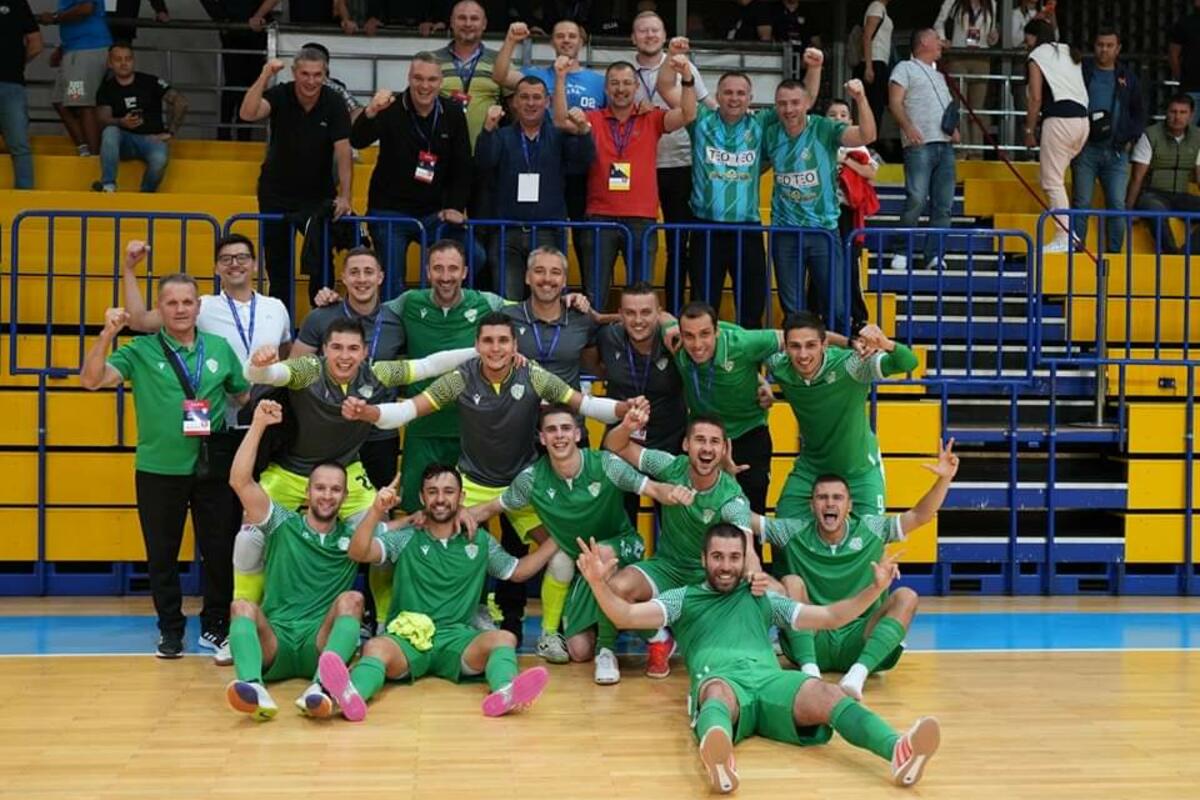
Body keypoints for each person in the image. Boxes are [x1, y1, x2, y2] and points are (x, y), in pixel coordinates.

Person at [573, 526, 940, 793]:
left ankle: (898, 749)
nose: (726, 565)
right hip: (723, 681)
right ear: (704, 559)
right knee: (716, 696)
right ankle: (721, 760)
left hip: (772, 681)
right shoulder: (682, 599)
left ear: (743, 560)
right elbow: (625, 615)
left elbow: (829, 617)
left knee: (829, 693)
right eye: (718, 557)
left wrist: (875, 589)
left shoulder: (762, 597)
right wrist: (597, 583)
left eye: (734, 557)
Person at [343, 311, 636, 642]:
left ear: (514, 346)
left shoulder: (533, 375)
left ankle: (551, 633)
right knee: (453, 542)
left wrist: (624, 410)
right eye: (488, 341)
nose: (496, 348)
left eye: (503, 341)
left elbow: (584, 404)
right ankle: (471, 611)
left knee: (561, 555)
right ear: (477, 345)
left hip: (524, 484)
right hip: (472, 484)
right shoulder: (461, 378)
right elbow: (408, 410)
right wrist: (369, 413)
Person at [234, 318, 475, 618]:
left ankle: (384, 623)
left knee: (381, 542)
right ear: (324, 350)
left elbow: (428, 365)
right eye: (336, 347)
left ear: (364, 352)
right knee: (249, 540)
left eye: (352, 348)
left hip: (346, 470)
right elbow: (268, 374)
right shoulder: (308, 369)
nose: (344, 356)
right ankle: (243, 619)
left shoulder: (375, 373)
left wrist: (479, 351)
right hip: (289, 472)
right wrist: (256, 365)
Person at [80, 277, 248, 659]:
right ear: (160, 308)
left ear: (198, 307)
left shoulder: (219, 347)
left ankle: (216, 626)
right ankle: (170, 630)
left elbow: (242, 393)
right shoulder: (140, 350)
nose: (180, 309)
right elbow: (91, 380)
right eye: (171, 303)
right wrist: (107, 335)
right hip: (158, 469)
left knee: (219, 551)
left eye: (187, 301)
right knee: (162, 555)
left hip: (211, 468)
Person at [318, 463, 559, 721]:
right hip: (407, 638)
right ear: (422, 498)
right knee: (375, 647)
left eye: (448, 491)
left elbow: (518, 571)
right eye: (432, 492)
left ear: (461, 497)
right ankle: (352, 694)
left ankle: (506, 691)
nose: (440, 499)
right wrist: (377, 511)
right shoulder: (406, 537)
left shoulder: (480, 541)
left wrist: (557, 539)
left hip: (458, 638)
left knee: (504, 639)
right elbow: (358, 552)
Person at [468, 404, 694, 682]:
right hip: (584, 565)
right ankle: (634, 628)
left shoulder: (605, 464)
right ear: (542, 438)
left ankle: (610, 650)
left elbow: (651, 488)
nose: (559, 435)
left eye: (566, 428)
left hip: (623, 547)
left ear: (577, 434)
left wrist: (673, 493)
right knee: (578, 651)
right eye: (551, 430)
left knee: (600, 555)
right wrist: (456, 516)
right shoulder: (531, 480)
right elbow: (490, 508)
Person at [756, 439, 958, 700]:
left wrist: (944, 479)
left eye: (837, 497)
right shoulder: (791, 530)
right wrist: (720, 478)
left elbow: (920, 515)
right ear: (812, 505)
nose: (830, 503)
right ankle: (810, 672)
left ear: (849, 505)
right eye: (822, 497)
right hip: (812, 635)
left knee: (907, 597)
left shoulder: (872, 528)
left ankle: (857, 675)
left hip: (858, 638)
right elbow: (746, 520)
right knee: (792, 582)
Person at [224, 400, 365, 721]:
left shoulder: (355, 538)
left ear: (345, 496)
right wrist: (258, 424)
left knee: (353, 599)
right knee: (241, 606)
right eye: (320, 488)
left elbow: (399, 531)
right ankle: (253, 687)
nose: (327, 495)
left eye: (335, 489)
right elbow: (240, 481)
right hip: (276, 642)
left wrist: (413, 517)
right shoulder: (281, 522)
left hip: (320, 643)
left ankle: (322, 688)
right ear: (307, 492)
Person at [603, 407, 754, 678]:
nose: (706, 448)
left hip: (704, 579)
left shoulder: (732, 498)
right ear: (686, 444)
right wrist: (627, 426)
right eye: (700, 440)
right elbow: (615, 446)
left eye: (714, 442)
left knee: (717, 655)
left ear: (723, 450)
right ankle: (659, 640)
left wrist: (756, 575)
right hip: (666, 568)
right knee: (615, 588)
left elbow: (748, 548)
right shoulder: (671, 466)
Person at [682, 55, 821, 328]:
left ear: (750, 98)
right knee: (703, 305)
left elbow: (804, 101)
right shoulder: (701, 120)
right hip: (705, 228)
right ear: (717, 96)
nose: (734, 98)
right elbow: (670, 92)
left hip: (747, 229)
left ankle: (751, 356)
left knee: (751, 306)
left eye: (741, 93)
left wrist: (814, 68)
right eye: (728, 92)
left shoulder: (761, 122)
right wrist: (684, 75)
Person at [555, 53, 697, 310]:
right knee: (594, 296)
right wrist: (560, 78)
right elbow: (559, 120)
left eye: (627, 83)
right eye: (615, 83)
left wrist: (687, 78)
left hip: (642, 219)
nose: (621, 89)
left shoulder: (651, 117)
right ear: (606, 88)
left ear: (636, 87)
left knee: (642, 298)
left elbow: (688, 114)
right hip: (600, 218)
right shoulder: (593, 118)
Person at [382, 240, 506, 514]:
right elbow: (366, 309)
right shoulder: (408, 302)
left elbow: (532, 308)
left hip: (471, 430)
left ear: (465, 272)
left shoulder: (488, 302)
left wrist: (569, 300)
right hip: (423, 428)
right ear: (428, 272)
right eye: (438, 268)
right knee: (417, 513)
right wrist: (332, 300)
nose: (446, 276)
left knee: (469, 514)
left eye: (453, 268)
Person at [119, 235, 293, 428]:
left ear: (255, 265)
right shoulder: (200, 307)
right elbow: (138, 321)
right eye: (226, 259)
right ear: (216, 268)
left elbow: (287, 355)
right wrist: (129, 268)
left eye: (242, 257)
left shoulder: (276, 307)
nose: (234, 263)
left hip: (268, 411)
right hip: (217, 414)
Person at [769, 312, 918, 519]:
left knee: (872, 535)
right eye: (795, 346)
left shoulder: (851, 366)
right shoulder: (778, 365)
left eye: (811, 345)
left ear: (824, 345)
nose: (803, 355)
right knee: (781, 531)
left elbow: (908, 362)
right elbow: (744, 350)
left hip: (859, 470)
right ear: (785, 347)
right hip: (811, 469)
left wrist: (885, 343)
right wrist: (760, 382)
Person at [240, 49, 353, 310]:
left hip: (318, 195)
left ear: (325, 74)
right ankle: (281, 326)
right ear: (294, 73)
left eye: (317, 75)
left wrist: (345, 195)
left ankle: (322, 324)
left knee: (321, 263)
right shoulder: (280, 94)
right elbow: (248, 113)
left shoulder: (334, 101)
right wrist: (265, 74)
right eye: (305, 74)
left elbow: (343, 150)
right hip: (275, 193)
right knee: (278, 267)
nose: (311, 81)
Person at [350, 53, 474, 292]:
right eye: (418, 78)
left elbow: (462, 165)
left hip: (435, 213)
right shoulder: (390, 107)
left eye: (431, 79)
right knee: (392, 283)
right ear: (409, 78)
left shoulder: (453, 112)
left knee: (475, 256)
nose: (424, 86)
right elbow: (358, 140)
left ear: (441, 82)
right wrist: (371, 110)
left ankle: (445, 313)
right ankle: (392, 318)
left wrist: (455, 206)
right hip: (389, 211)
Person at [766, 73, 876, 328]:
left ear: (807, 103)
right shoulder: (770, 134)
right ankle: (797, 353)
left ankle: (835, 352)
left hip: (823, 232)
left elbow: (867, 135)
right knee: (793, 310)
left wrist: (861, 99)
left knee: (836, 307)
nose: (789, 109)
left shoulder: (824, 127)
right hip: (785, 232)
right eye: (782, 103)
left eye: (795, 102)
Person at [293, 248, 406, 489]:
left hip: (379, 434)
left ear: (380, 277)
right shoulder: (320, 317)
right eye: (354, 272)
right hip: (331, 431)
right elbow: (295, 373)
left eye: (368, 272)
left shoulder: (397, 322)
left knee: (380, 503)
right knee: (328, 502)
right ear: (343, 277)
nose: (362, 279)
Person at [475, 75, 595, 298]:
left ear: (547, 102)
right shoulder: (501, 135)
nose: (531, 103)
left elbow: (583, 162)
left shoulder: (560, 136)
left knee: (548, 298)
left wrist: (584, 131)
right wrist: (488, 130)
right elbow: (485, 162)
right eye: (524, 97)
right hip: (507, 232)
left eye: (537, 97)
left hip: (548, 232)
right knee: (508, 300)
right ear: (515, 102)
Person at [631, 13, 715, 312]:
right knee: (638, 240)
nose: (649, 35)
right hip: (641, 168)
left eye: (655, 30)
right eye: (643, 31)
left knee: (678, 244)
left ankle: (678, 311)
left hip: (680, 163)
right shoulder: (624, 73)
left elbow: (708, 106)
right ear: (633, 38)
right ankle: (641, 310)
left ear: (664, 34)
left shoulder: (683, 67)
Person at [666, 302, 781, 517]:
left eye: (704, 334)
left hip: (748, 434)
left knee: (749, 515)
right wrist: (669, 325)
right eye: (689, 336)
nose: (697, 344)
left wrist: (847, 343)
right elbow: (657, 315)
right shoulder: (675, 342)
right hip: (704, 438)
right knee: (698, 514)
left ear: (717, 331)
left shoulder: (742, 343)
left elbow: (795, 337)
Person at [888, 28, 958, 271]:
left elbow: (945, 108)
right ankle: (901, 250)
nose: (941, 43)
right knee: (916, 199)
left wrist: (953, 129)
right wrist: (908, 127)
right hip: (919, 144)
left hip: (944, 144)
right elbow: (895, 102)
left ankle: (934, 255)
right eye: (937, 39)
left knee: (943, 204)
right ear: (924, 41)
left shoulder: (939, 75)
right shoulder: (904, 68)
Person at [1071, 27, 1145, 254]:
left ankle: (1115, 256)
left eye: (1109, 45)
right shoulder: (1081, 72)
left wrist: (1131, 137)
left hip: (1117, 152)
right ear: (1094, 46)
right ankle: (1076, 253)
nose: (1104, 50)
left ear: (1118, 48)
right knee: (1081, 203)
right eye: (1100, 45)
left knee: (1117, 205)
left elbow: (1140, 113)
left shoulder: (1128, 78)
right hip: (1085, 149)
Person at [595, 281, 686, 456]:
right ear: (621, 314)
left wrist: (672, 322)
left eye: (646, 312)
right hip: (619, 444)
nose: (638, 321)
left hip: (669, 446)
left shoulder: (674, 340)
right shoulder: (608, 338)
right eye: (630, 313)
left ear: (659, 313)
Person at [1024, 18, 1089, 253]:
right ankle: (1070, 233)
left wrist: (1029, 129)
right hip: (1082, 122)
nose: (1026, 42)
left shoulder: (1037, 55)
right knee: (1055, 178)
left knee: (1052, 181)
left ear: (1034, 36)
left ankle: (1064, 236)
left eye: (1027, 38)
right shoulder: (1069, 51)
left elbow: (1035, 98)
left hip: (1060, 120)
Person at [501, 246, 600, 392]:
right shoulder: (506, 318)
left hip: (567, 405)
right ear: (527, 277)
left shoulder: (582, 319)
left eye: (555, 272)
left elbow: (594, 367)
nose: (547, 279)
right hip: (520, 405)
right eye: (539, 271)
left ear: (564, 280)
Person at [92, 43, 187, 194]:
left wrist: (171, 132)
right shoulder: (106, 89)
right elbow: (102, 119)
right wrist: (121, 122)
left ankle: (145, 194)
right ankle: (108, 185)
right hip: (124, 141)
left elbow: (180, 102)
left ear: (133, 61)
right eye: (118, 59)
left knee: (159, 159)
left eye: (128, 59)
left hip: (151, 139)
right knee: (110, 132)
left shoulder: (150, 82)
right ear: (110, 63)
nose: (124, 63)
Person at [825, 98, 879, 333]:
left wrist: (845, 160)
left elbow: (871, 172)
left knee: (849, 267)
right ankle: (819, 314)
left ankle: (857, 317)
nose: (838, 119)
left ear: (851, 120)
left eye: (843, 115)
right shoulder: (820, 141)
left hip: (847, 213)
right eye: (832, 115)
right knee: (821, 265)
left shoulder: (856, 145)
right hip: (822, 212)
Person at [1126, 94, 1200, 255]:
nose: (1177, 117)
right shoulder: (1150, 135)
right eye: (1173, 112)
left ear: (1191, 115)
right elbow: (1137, 177)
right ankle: (1171, 254)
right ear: (1166, 113)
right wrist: (1129, 209)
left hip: (1181, 196)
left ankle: (1186, 254)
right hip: (1153, 194)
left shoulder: (1198, 137)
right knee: (1156, 210)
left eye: (1183, 112)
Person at [37, 0, 112, 157]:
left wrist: (55, 17)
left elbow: (86, 8)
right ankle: (84, 149)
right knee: (60, 100)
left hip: (87, 50)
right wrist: (62, 48)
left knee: (82, 102)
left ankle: (93, 158)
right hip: (73, 50)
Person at [934, 0, 999, 160]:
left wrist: (993, 37)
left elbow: (991, 34)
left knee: (977, 109)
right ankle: (961, 150)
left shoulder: (991, 3)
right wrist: (943, 40)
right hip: (958, 56)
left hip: (981, 57)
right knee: (959, 106)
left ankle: (977, 152)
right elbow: (939, 22)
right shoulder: (953, 2)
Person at [433, 0, 503, 148]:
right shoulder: (432, 60)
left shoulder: (500, 60)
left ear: (484, 24)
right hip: (442, 149)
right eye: (462, 18)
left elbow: (515, 106)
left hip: (489, 150)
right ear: (452, 22)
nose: (468, 23)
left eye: (474, 18)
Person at [201, 0, 270, 142]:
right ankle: (225, 133)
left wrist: (258, 15)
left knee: (250, 85)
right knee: (233, 83)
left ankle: (243, 133)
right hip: (233, 29)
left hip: (255, 31)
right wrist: (221, 18)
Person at [0, 0, 41, 190]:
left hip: (12, 84)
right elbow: (36, 43)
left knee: (19, 145)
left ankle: (24, 197)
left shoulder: (17, 2)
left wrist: (16, 64)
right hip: (12, 83)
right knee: (20, 146)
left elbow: (36, 43)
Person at [854, 0, 894, 141]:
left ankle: (872, 141)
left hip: (880, 61)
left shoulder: (882, 9)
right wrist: (869, 66)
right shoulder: (876, 7)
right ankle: (868, 142)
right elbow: (867, 36)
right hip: (874, 61)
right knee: (874, 105)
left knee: (878, 105)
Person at [1168, 0, 1200, 127]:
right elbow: (1173, 54)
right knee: (1184, 131)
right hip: (1191, 88)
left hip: (1189, 87)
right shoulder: (1184, 23)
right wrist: (1181, 78)